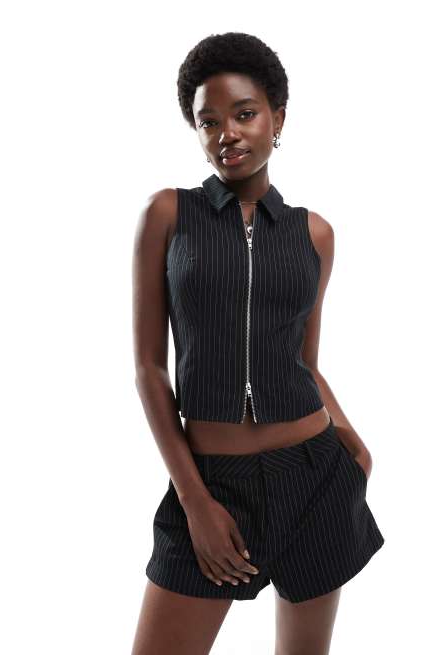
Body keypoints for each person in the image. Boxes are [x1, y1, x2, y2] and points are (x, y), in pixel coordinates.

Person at [131, 31, 385, 655]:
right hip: (213, 482)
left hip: (316, 476)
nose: (228, 133)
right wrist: (194, 501)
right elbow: (149, 369)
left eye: (245, 114)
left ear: (278, 118)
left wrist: (351, 440)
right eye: (208, 121)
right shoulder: (169, 215)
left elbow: (305, 362)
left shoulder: (314, 234)